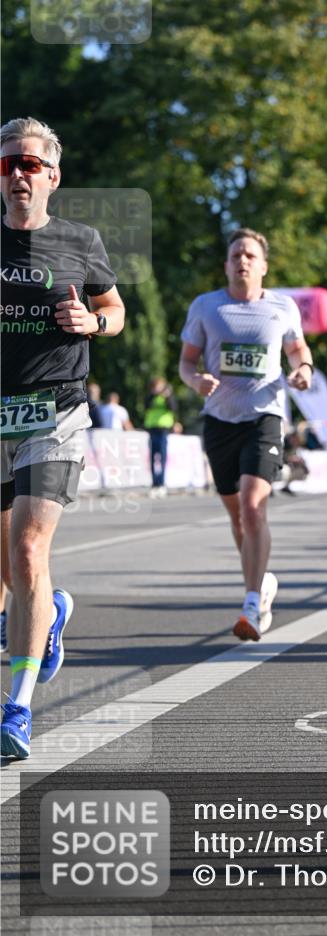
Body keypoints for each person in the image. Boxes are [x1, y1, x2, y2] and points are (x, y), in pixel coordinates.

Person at [0, 116, 125, 758]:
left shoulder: (79, 240)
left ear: (52, 175)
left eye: (29, 163)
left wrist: (91, 323)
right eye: (7, 164)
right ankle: (43, 621)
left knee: (27, 549)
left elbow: (115, 311)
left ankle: (16, 711)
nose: (17, 174)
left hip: (57, 412)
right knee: (8, 575)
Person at [179, 227, 313, 642]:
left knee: (255, 507)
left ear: (264, 266)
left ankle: (251, 604)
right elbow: (186, 362)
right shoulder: (206, 306)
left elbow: (298, 350)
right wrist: (195, 381)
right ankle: (263, 582)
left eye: (251, 255)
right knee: (237, 516)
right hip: (219, 422)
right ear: (226, 264)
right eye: (236, 254)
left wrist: (303, 370)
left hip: (264, 418)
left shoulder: (282, 308)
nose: (243, 261)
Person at [144, 377, 178, 495]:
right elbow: (146, 406)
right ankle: (154, 484)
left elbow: (173, 408)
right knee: (153, 457)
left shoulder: (167, 397)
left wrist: (167, 396)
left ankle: (162, 483)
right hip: (152, 429)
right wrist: (154, 395)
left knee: (162, 457)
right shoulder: (150, 397)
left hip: (163, 430)